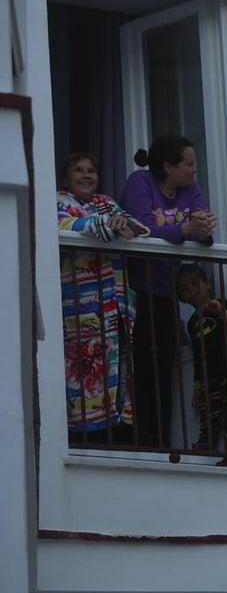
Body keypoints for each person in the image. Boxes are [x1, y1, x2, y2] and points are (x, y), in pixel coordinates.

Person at [121, 135, 217, 447]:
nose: (194, 170)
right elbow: (140, 229)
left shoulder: (189, 189)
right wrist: (184, 230)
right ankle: (136, 439)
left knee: (163, 369)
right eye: (189, 164)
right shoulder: (141, 182)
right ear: (167, 166)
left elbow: (200, 229)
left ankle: (159, 442)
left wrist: (203, 229)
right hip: (136, 291)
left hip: (165, 292)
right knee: (139, 370)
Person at [57, 152, 149, 443]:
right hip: (78, 312)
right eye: (78, 170)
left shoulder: (106, 203)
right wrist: (110, 226)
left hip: (113, 307)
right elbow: (67, 226)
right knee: (80, 376)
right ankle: (80, 441)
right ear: (66, 177)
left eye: (91, 171)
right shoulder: (60, 201)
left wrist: (121, 224)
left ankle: (115, 436)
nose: (86, 175)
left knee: (116, 375)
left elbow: (139, 228)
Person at [177, 263, 227, 467]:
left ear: (207, 284)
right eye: (184, 288)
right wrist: (198, 385)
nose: (191, 290)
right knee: (211, 411)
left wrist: (222, 312)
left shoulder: (224, 304)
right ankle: (205, 444)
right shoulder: (192, 324)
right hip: (210, 376)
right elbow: (199, 357)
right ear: (182, 298)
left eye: (194, 283)